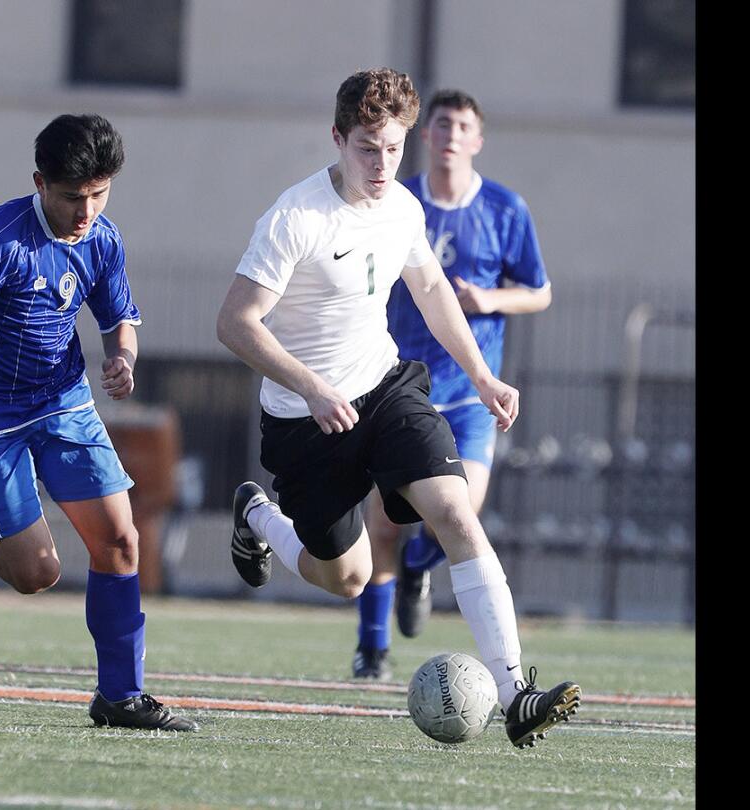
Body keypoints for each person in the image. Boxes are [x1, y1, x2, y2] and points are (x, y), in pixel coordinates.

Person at [217, 68, 578, 749]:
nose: (381, 163)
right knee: (347, 579)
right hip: (305, 422)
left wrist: (482, 376)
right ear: (337, 139)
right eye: (366, 147)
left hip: (386, 392)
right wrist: (311, 386)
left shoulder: (404, 209)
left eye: (392, 148)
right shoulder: (295, 217)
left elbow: (434, 291)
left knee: (455, 512)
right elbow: (235, 323)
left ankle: (515, 695)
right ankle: (258, 514)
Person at [0, 114, 197, 733]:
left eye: (98, 192)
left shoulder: (103, 239)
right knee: (37, 575)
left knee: (120, 542)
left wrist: (123, 357)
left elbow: (120, 318)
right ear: (39, 182)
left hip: (63, 404)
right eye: (71, 196)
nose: (86, 209)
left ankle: (120, 695)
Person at [351, 89, 553, 680]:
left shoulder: (504, 208)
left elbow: (539, 290)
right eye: (442, 123)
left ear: (477, 139)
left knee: (465, 507)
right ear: (426, 133)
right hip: (397, 384)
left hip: (467, 391)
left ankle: (422, 563)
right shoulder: (398, 200)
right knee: (384, 522)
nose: (452, 134)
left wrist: (490, 299)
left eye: (464, 125)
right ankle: (372, 650)